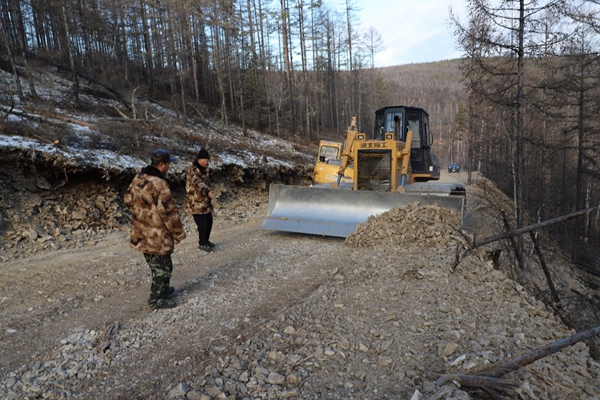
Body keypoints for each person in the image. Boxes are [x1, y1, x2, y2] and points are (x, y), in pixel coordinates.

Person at [124, 149, 186, 310]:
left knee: (156, 265)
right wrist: (178, 234)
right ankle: (156, 299)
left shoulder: (138, 178)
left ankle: (163, 290)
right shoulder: (159, 184)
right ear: (162, 164)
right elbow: (169, 213)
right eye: (168, 164)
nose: (169, 167)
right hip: (157, 235)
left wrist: (143, 213)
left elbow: (127, 199)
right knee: (163, 268)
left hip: (140, 231)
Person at [185, 148, 215, 252]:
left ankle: (206, 241)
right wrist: (207, 191)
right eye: (206, 160)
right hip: (195, 203)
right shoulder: (193, 170)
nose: (208, 162)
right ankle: (202, 243)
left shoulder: (204, 169)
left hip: (205, 202)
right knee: (203, 224)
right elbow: (198, 183)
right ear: (200, 159)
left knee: (209, 221)